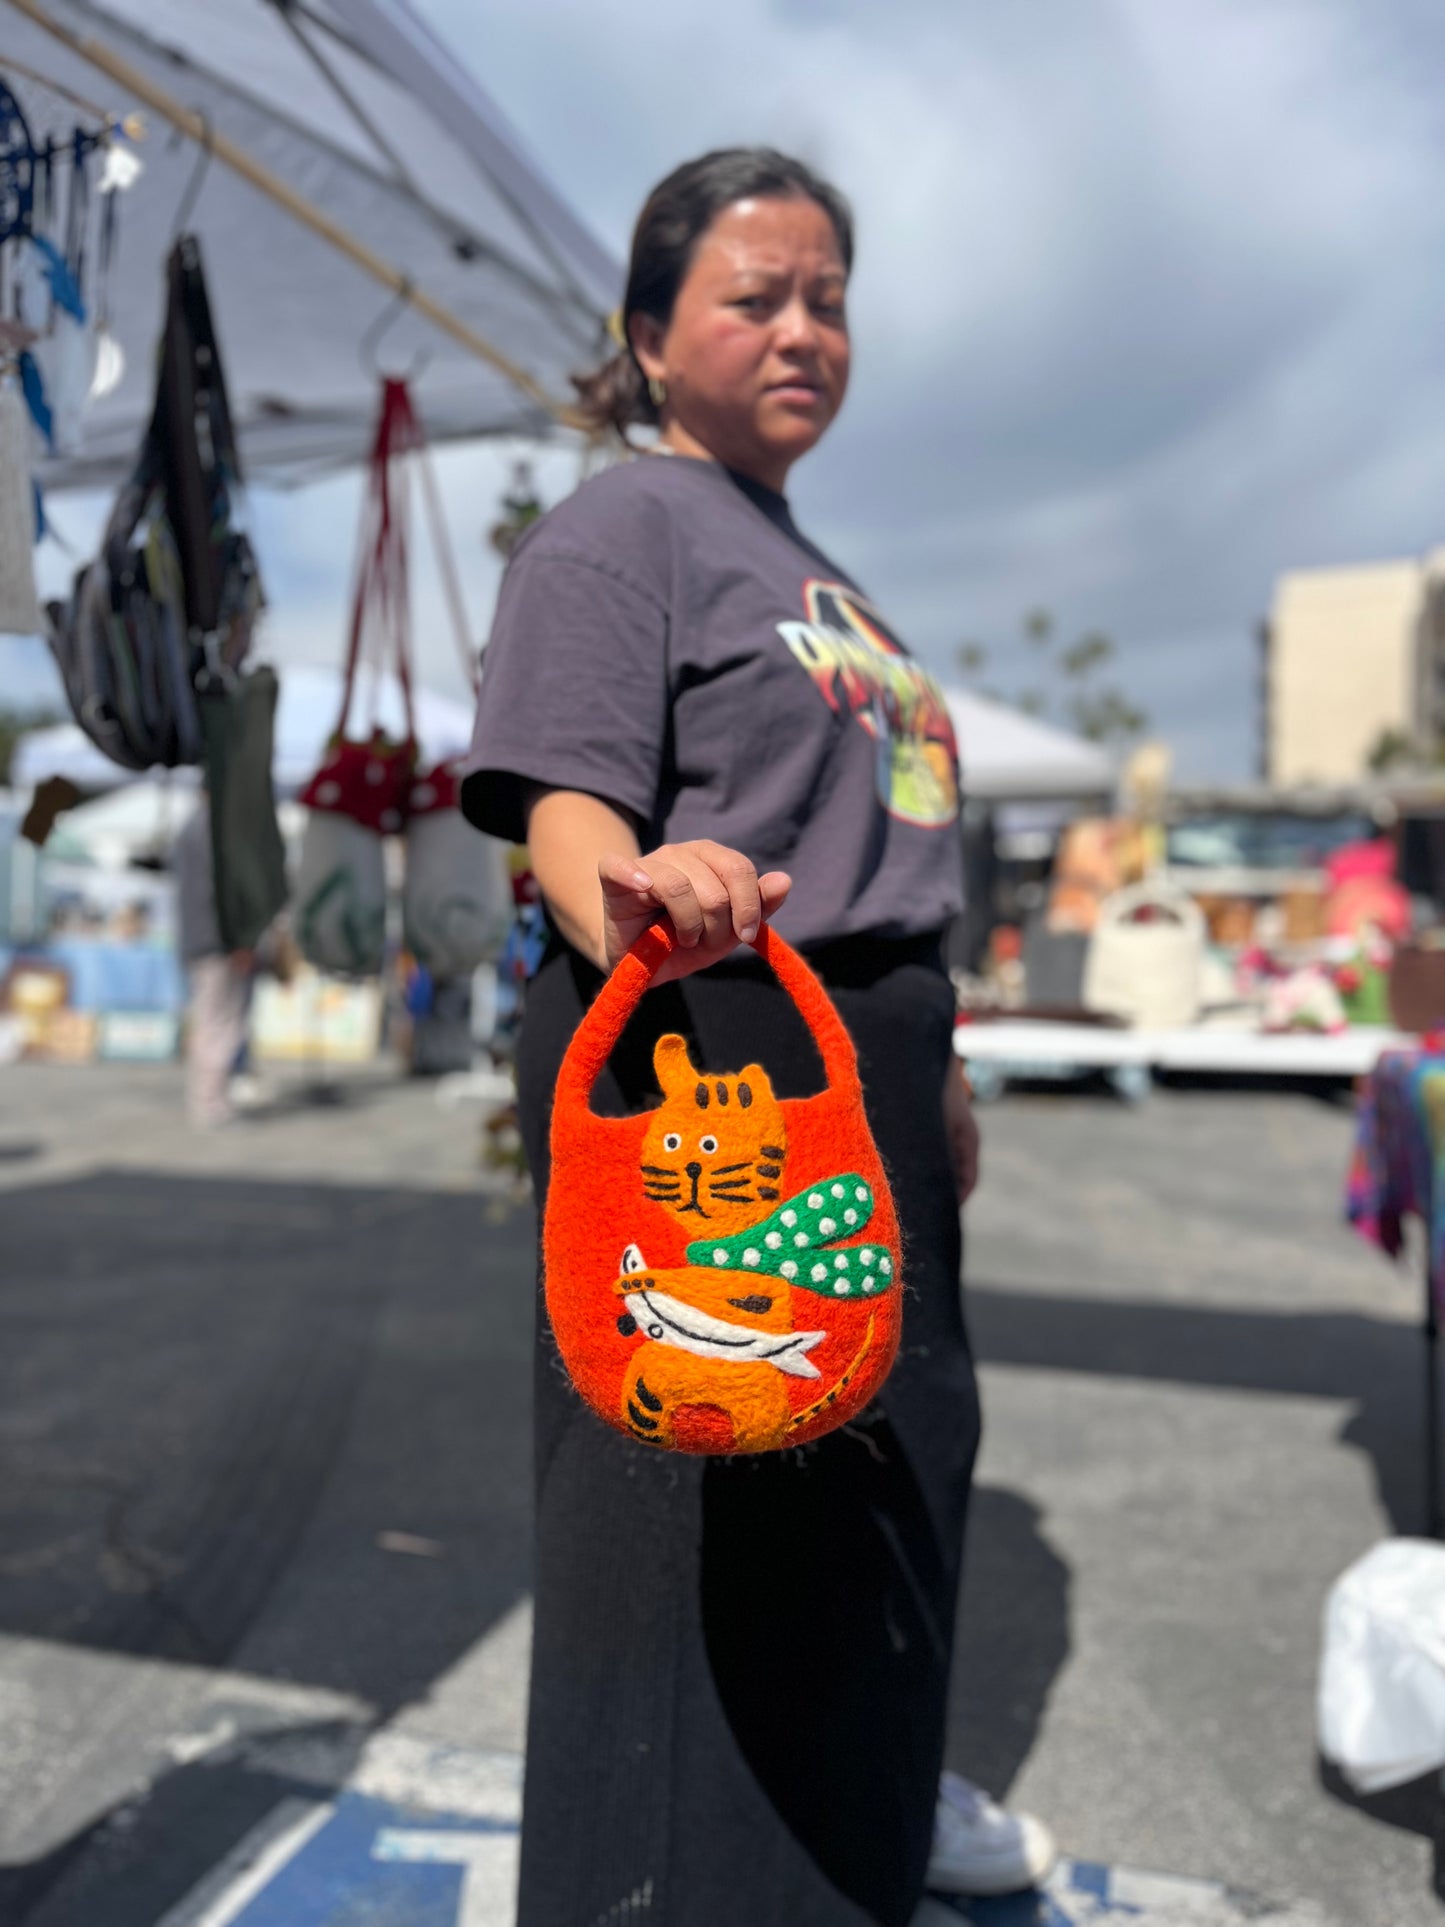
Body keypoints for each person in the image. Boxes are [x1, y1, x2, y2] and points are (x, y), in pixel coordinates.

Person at [461, 147, 1055, 1926]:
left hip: (855, 1057)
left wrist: (927, 1060)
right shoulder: (625, 523)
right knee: (704, 1508)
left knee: (880, 1463)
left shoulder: (798, 557)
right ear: (650, 338)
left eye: (830, 299)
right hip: (707, 1047)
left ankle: (846, 1841)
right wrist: (629, 893)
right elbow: (561, 806)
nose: (804, 328)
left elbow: (881, 845)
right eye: (754, 295)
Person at [173, 789, 252, 1128]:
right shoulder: (211, 828)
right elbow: (218, 890)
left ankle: (212, 1100)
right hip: (215, 941)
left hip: (202, 939)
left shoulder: (192, 826)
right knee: (218, 1023)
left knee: (211, 1021)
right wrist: (237, 940)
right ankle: (211, 1104)